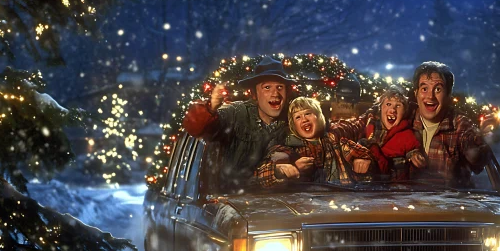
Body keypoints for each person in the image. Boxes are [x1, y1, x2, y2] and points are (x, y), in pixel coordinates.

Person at [181, 56, 312, 191]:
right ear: (254, 94)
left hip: (284, 200)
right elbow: (196, 128)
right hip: (231, 198)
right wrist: (211, 108)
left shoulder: (295, 120)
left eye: (280, 87)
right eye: (267, 87)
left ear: (287, 92)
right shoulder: (235, 113)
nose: (275, 94)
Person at [256, 97, 373, 186]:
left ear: (318, 116)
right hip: (306, 205)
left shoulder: (335, 139)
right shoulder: (288, 147)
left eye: (308, 113)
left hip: (341, 200)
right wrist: (281, 170)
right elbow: (260, 176)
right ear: (294, 125)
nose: (304, 119)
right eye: (298, 117)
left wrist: (363, 159)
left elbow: (366, 152)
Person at [409, 61, 492, 186]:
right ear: (416, 93)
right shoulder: (405, 120)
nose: (430, 96)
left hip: (448, 198)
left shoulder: (460, 125)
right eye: (424, 89)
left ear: (448, 95)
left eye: (438, 89)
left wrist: (483, 139)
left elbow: (478, 158)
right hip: (407, 197)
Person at [335, 85, 427, 180]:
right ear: (380, 108)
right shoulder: (370, 125)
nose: (392, 110)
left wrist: (415, 156)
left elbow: (413, 148)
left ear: (404, 112)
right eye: (388, 104)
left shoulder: (406, 134)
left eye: (398, 105)